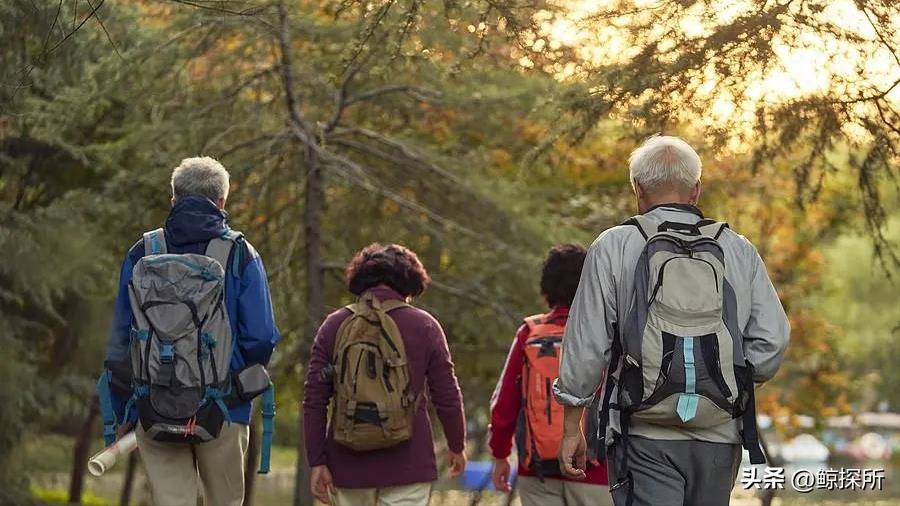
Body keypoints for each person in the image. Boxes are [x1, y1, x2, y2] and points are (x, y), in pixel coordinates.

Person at [554, 135, 790, 506]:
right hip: (718, 434)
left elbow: (586, 346)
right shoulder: (737, 249)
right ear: (695, 190)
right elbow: (772, 340)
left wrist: (572, 429)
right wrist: (725, 382)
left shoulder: (613, 246)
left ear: (638, 189)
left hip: (643, 431)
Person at [101, 157, 281, 506]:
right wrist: (236, 386)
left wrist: (124, 407)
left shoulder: (144, 251)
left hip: (154, 401)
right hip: (224, 405)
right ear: (222, 202)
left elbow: (120, 337)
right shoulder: (240, 253)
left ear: (173, 199)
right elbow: (261, 336)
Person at [303, 243, 467, 506]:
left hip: (347, 465)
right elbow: (446, 395)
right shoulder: (424, 326)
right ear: (410, 283)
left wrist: (317, 460)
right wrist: (456, 445)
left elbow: (314, 399)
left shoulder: (334, 325)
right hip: (409, 464)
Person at [489, 244, 613, 506]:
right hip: (597, 471)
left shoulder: (529, 333)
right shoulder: (607, 334)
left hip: (537, 471)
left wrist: (499, 454)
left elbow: (504, 405)